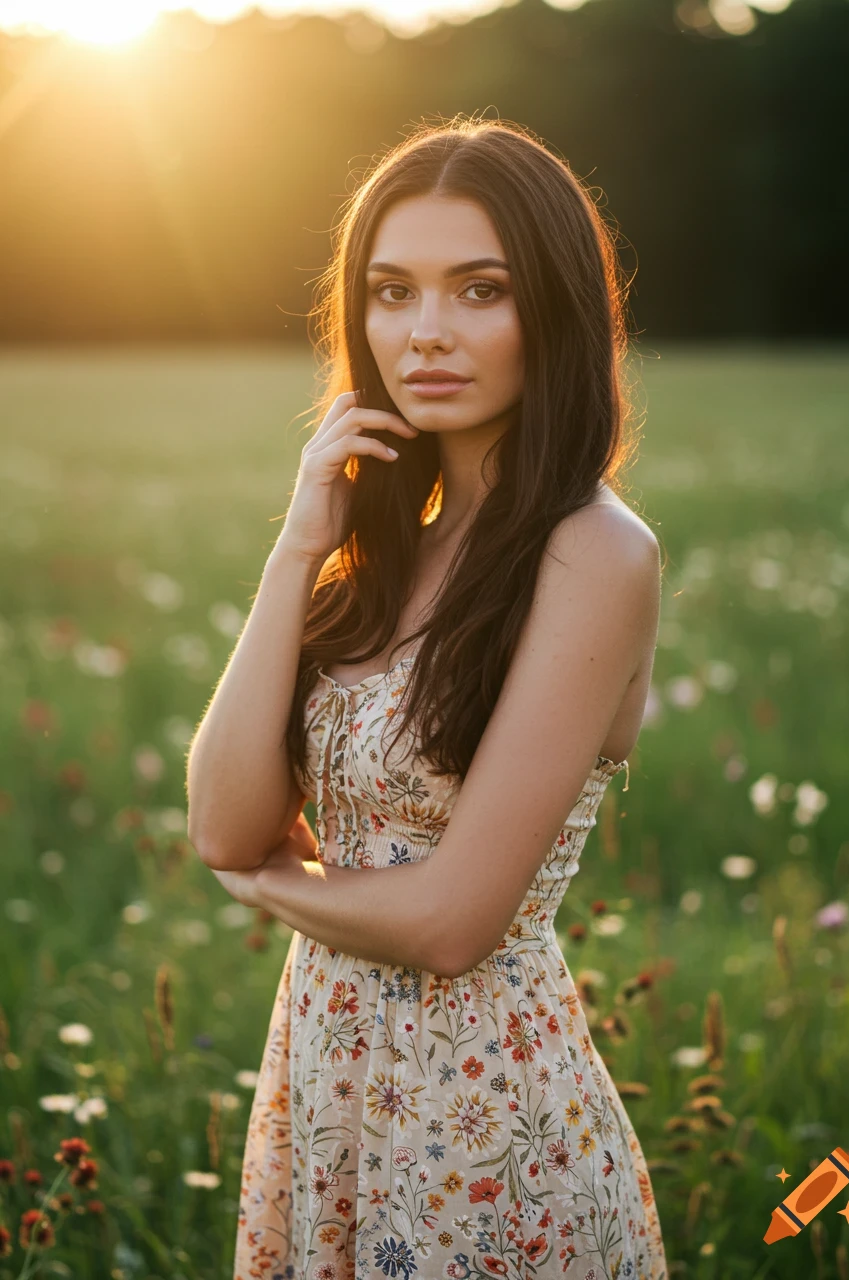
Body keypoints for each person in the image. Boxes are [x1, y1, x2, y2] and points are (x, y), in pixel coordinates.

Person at [187, 115, 666, 1280]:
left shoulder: (593, 552)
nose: (425, 333)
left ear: (548, 309)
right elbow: (220, 818)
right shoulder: (385, 547)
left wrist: (271, 884)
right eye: (391, 292)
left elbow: (456, 921)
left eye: (478, 289)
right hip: (328, 1078)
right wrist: (299, 545)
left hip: (483, 1109)